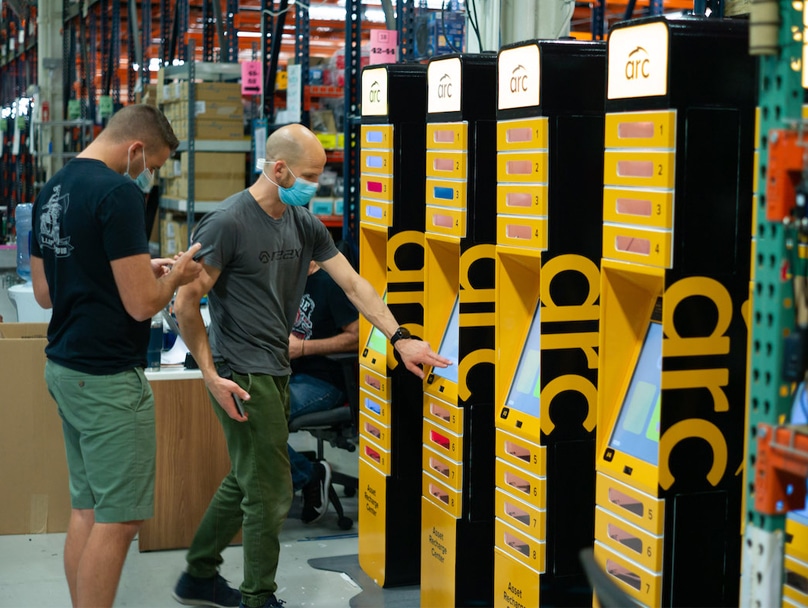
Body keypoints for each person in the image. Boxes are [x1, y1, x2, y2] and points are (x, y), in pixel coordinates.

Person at [172, 123, 450, 608]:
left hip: (276, 369)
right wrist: (210, 373)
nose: (315, 187)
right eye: (310, 176)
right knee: (272, 492)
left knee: (247, 476)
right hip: (242, 373)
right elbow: (186, 301)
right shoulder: (227, 222)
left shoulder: (303, 223)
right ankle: (259, 598)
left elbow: (355, 286)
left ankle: (198, 573)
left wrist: (400, 338)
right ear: (279, 168)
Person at [29, 103, 206, 608]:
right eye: (151, 165)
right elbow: (143, 303)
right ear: (134, 150)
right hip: (107, 377)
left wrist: (136, 263)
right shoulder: (118, 193)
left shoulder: (52, 188)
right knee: (120, 520)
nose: (149, 176)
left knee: (87, 510)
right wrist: (176, 274)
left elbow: (45, 292)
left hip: (65, 366)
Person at [288, 260, 359, 524]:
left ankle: (308, 475)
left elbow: (358, 335)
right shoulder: (287, 280)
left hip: (323, 382)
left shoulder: (330, 285)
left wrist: (304, 348)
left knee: (261, 417)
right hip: (290, 374)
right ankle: (307, 472)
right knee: (246, 410)